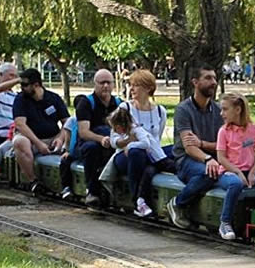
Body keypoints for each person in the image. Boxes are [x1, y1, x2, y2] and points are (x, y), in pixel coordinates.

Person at [166, 65, 224, 229]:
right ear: (195, 82)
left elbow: (223, 145)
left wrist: (204, 145)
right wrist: (208, 159)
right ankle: (177, 203)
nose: (213, 82)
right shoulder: (183, 110)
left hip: (212, 157)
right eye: (208, 78)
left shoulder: (219, 111)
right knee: (211, 173)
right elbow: (189, 147)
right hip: (186, 159)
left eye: (214, 78)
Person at [109, 69, 173, 216]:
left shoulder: (160, 111)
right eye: (130, 85)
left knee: (174, 150)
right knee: (137, 153)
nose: (131, 89)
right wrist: (127, 142)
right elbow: (113, 140)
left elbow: (156, 139)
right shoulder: (125, 109)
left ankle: (143, 200)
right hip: (127, 155)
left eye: (136, 85)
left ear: (148, 88)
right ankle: (136, 199)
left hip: (150, 154)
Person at [215, 94, 255, 240]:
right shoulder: (224, 131)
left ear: (237, 110)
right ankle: (225, 222)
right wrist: (237, 172)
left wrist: (253, 172)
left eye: (225, 109)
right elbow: (221, 158)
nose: (221, 113)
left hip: (249, 171)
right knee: (235, 184)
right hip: (228, 173)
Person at [12, 68, 70, 192]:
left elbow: (67, 123)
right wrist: (38, 143)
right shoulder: (20, 99)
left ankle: (67, 184)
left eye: (25, 85)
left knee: (72, 137)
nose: (21, 88)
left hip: (52, 137)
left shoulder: (53, 98)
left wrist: (60, 138)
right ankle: (33, 180)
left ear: (36, 85)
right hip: (31, 139)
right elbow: (20, 124)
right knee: (19, 141)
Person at [75, 69, 121, 205]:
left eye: (108, 82)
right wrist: (101, 139)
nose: (105, 86)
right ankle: (92, 191)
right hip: (89, 143)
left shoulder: (119, 104)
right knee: (92, 148)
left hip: (113, 141)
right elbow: (84, 132)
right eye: (102, 83)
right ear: (95, 84)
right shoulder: (86, 103)